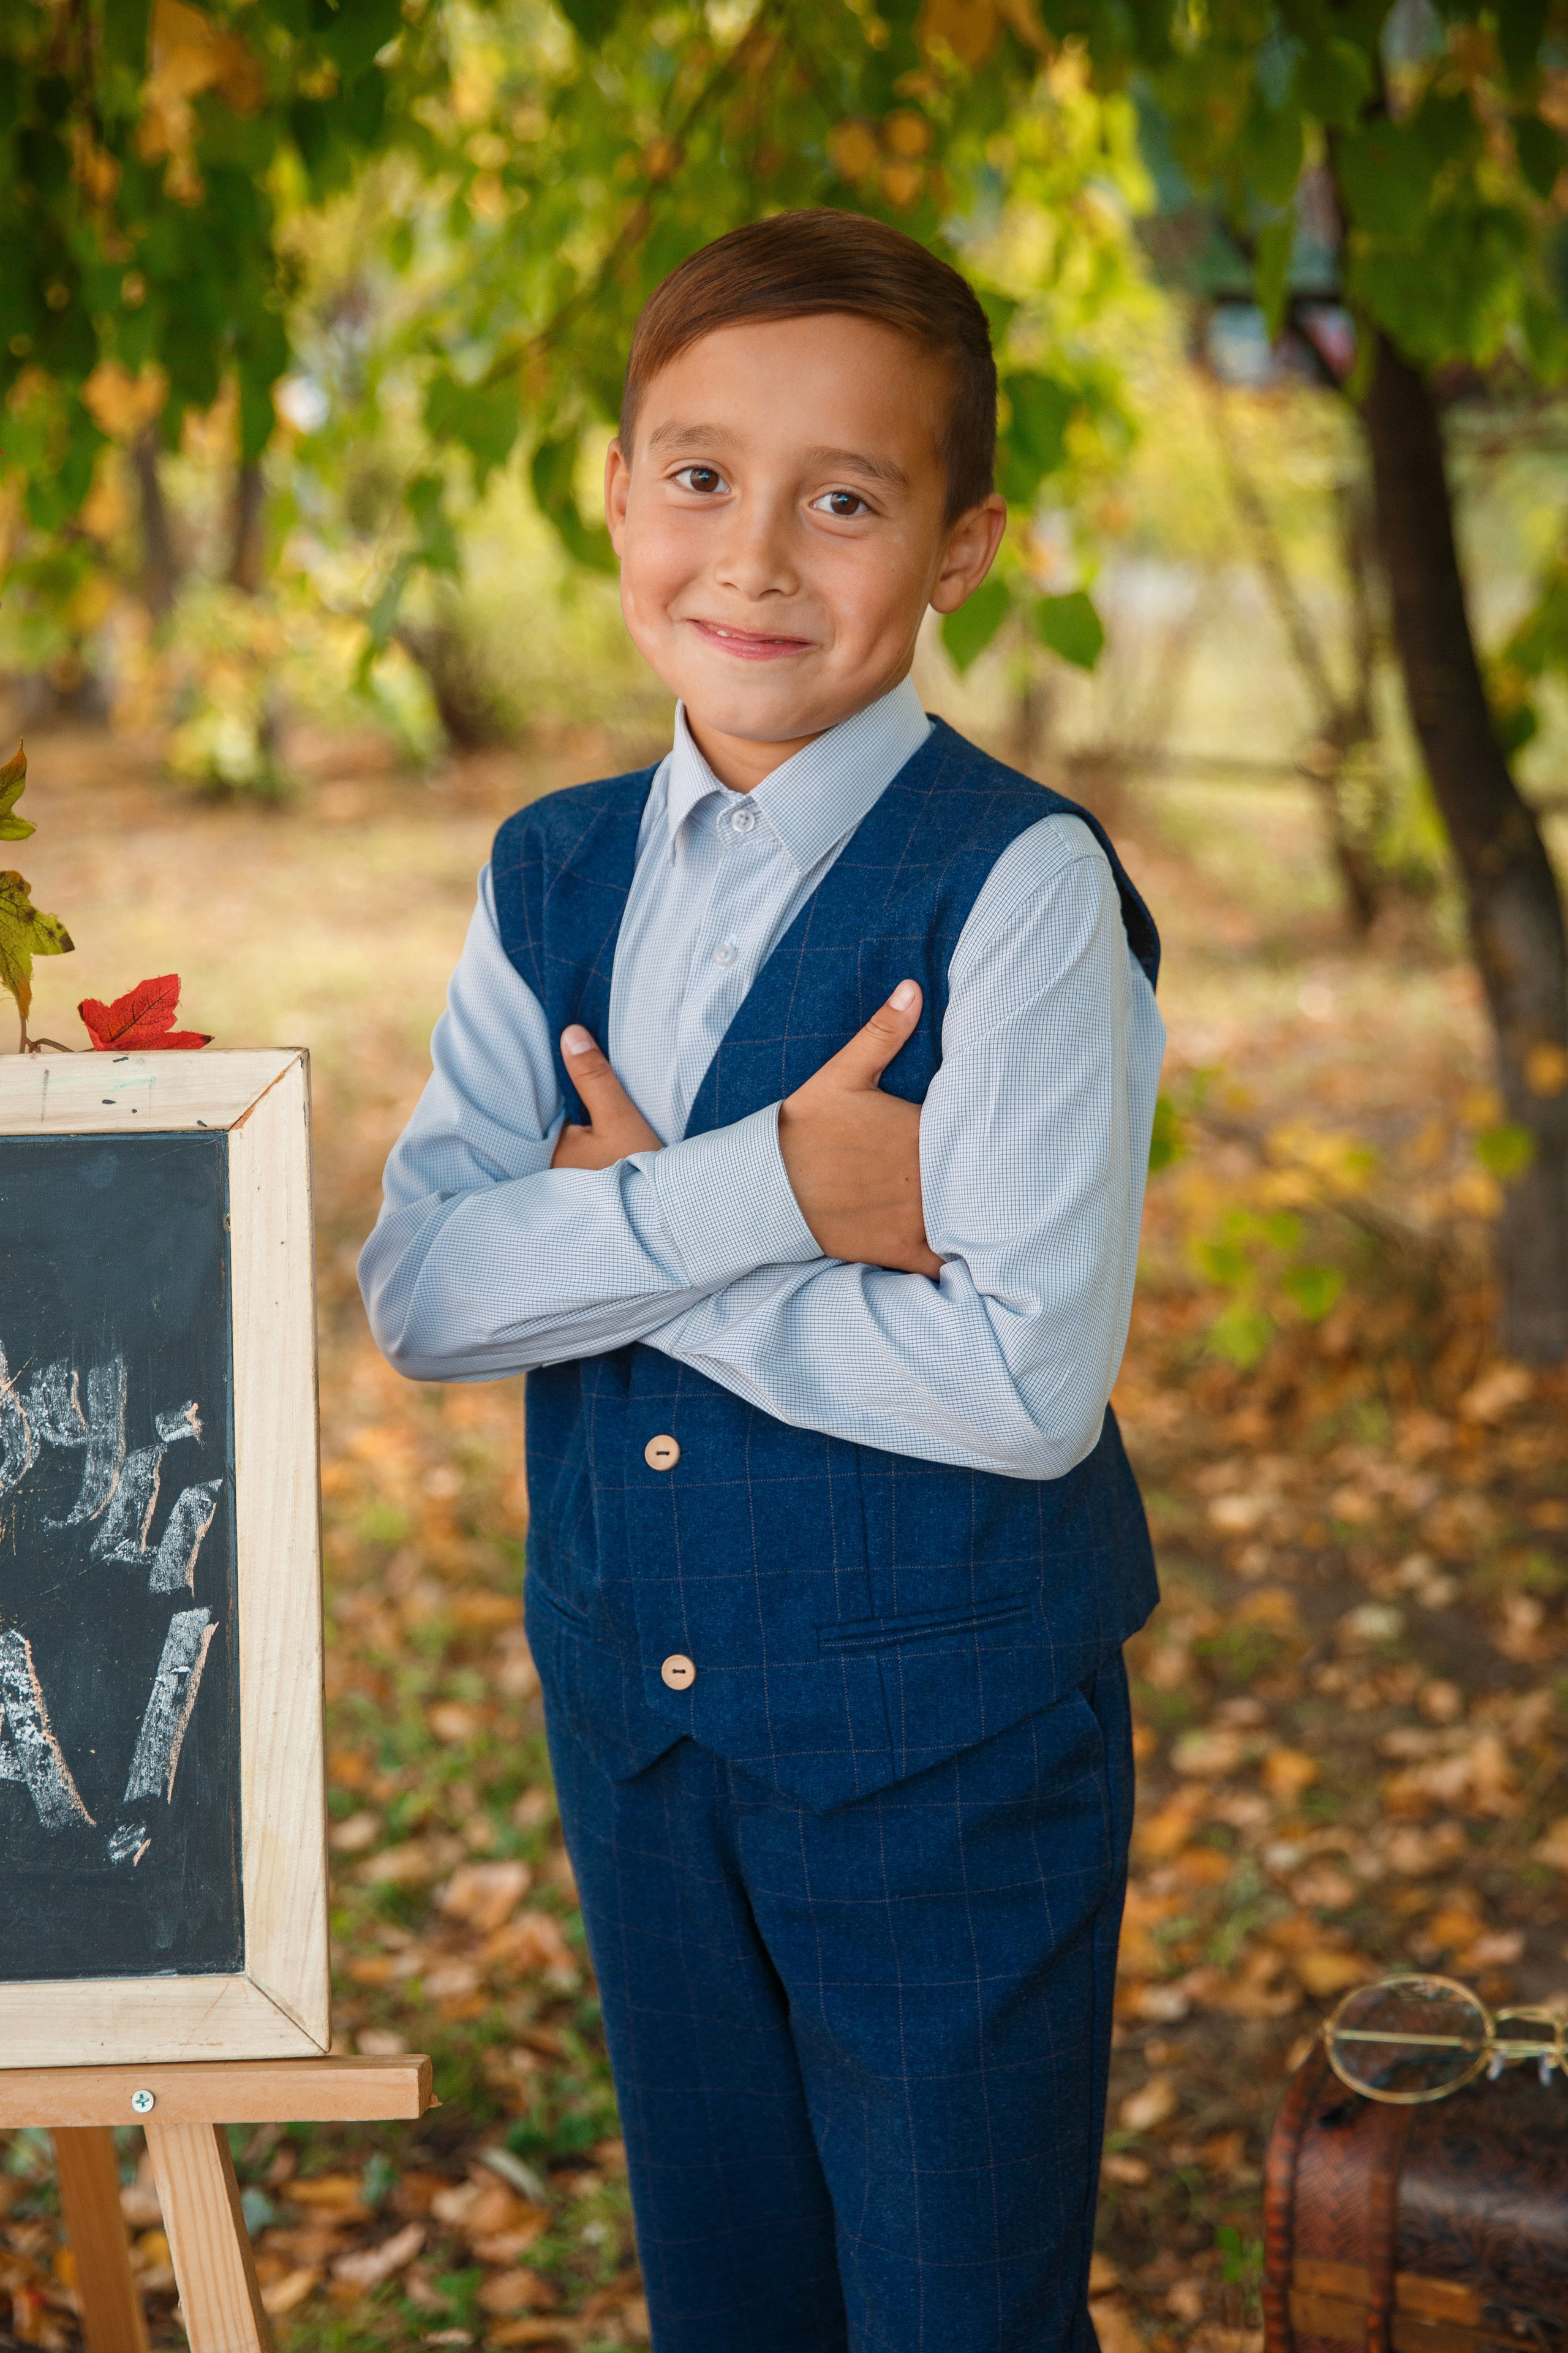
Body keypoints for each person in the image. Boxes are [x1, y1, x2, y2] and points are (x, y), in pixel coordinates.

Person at [361, 208, 1165, 2353]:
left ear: (962, 545)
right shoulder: (552, 869)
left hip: (947, 1760)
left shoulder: (1021, 890)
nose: (757, 558)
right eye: (702, 475)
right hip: (642, 1729)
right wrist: (782, 1190)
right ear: (616, 491)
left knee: (952, 2313)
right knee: (736, 2301)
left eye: (846, 498)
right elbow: (429, 1292)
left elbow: (1021, 1389)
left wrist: (619, 1232)